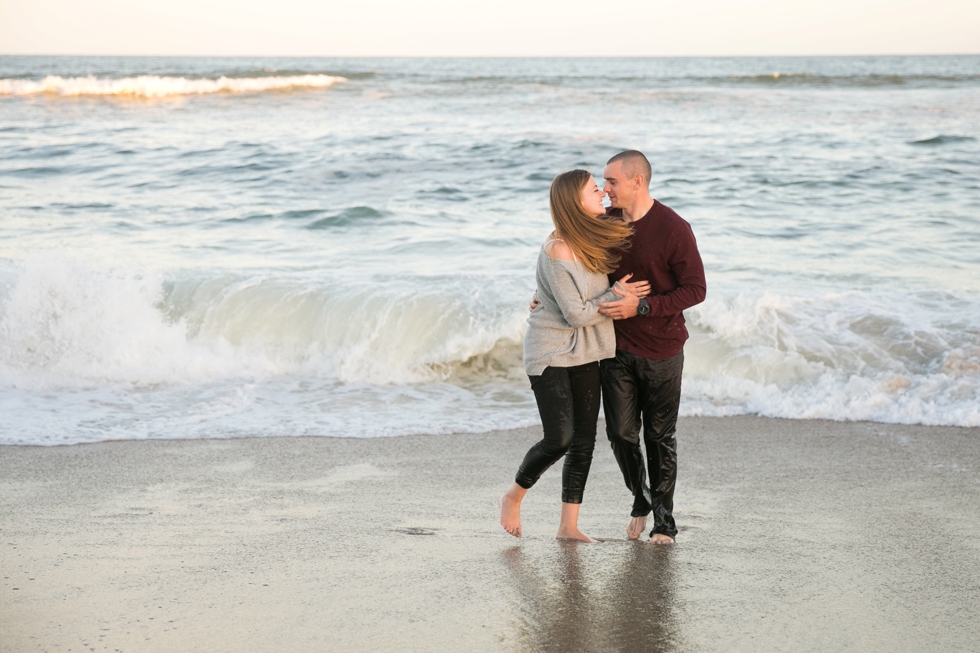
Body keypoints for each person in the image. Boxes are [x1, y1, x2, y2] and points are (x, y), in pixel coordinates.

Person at [499, 169, 650, 542]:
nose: (601, 192)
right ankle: (513, 496)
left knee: (584, 440)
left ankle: (568, 527)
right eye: (593, 189)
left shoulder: (590, 236)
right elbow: (577, 314)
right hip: (550, 351)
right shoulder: (559, 249)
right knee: (560, 438)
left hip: (587, 349)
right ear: (573, 201)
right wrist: (616, 293)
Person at [596, 150, 707, 544]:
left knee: (659, 437)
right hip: (616, 347)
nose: (604, 189)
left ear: (637, 182)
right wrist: (545, 295)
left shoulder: (674, 228)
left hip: (662, 350)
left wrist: (640, 306)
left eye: (612, 182)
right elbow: (568, 257)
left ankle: (665, 523)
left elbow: (696, 289)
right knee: (621, 434)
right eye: (605, 182)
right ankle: (641, 499)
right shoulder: (605, 222)